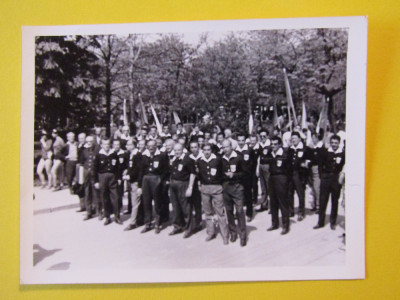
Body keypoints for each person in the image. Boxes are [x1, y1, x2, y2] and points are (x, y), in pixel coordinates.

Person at [197, 143, 229, 245]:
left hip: (216, 188)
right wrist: (200, 185)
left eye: (208, 150)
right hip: (205, 189)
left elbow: (223, 173)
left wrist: (221, 186)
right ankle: (211, 232)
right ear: (202, 151)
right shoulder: (199, 161)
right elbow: (198, 175)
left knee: (220, 212)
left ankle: (225, 235)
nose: (207, 152)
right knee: (208, 212)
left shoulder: (218, 160)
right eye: (205, 150)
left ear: (211, 151)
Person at [313, 135, 345, 230]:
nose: (334, 145)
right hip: (326, 179)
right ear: (330, 143)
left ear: (339, 143)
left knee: (334, 201)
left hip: (336, 179)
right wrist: (322, 176)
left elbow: (343, 166)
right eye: (332, 143)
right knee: (323, 201)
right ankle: (320, 222)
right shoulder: (325, 152)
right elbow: (320, 164)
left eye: (336, 143)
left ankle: (332, 222)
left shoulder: (342, 154)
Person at [221, 139, 248, 247]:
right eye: (223, 147)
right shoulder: (221, 158)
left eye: (226, 147)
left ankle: (243, 235)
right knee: (229, 211)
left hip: (237, 187)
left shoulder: (239, 157)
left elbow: (246, 173)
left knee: (240, 211)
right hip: (226, 188)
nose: (225, 149)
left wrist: (235, 175)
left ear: (231, 146)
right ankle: (233, 233)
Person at [141, 140, 168, 233]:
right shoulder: (144, 156)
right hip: (146, 179)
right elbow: (141, 171)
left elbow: (166, 169)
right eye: (149, 146)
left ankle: (157, 223)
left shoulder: (162, 155)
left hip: (156, 178)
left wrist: (161, 179)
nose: (150, 147)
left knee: (157, 202)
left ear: (156, 146)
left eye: (152, 145)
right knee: (146, 202)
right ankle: (147, 223)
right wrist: (140, 184)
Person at [266, 136, 292, 235]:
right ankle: (274, 223)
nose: (273, 146)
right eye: (272, 144)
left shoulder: (285, 154)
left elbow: (289, 169)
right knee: (273, 202)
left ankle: (285, 225)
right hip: (272, 178)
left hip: (282, 178)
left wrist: (286, 182)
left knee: (283, 203)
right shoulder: (270, 154)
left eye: (275, 144)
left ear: (280, 144)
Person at [94, 139, 122, 225]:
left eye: (108, 144)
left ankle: (117, 217)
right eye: (104, 144)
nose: (106, 146)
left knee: (115, 197)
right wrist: (96, 181)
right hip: (102, 177)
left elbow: (118, 168)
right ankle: (107, 217)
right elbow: (94, 169)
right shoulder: (99, 155)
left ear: (110, 145)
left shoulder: (114, 154)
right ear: (101, 145)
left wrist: (119, 178)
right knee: (104, 197)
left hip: (112, 176)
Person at [287, 132, 311, 221]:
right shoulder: (290, 149)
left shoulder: (305, 149)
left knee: (300, 194)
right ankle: (291, 210)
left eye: (295, 138)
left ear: (300, 139)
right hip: (291, 173)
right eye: (292, 138)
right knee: (290, 193)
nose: (293, 140)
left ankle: (301, 212)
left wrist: (307, 164)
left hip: (300, 174)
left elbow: (310, 160)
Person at [123, 139, 144, 231]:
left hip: (135, 181)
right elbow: (131, 167)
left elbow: (139, 170)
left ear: (134, 145)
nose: (127, 146)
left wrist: (130, 176)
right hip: (131, 181)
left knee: (135, 202)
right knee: (136, 202)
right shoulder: (131, 155)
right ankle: (139, 219)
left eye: (129, 144)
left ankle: (133, 222)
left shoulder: (138, 155)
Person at [236, 132, 256, 222]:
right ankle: (238, 213)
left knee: (248, 195)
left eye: (242, 140)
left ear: (245, 140)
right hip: (237, 177)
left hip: (247, 176)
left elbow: (254, 163)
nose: (241, 142)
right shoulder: (234, 151)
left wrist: (252, 175)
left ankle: (249, 213)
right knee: (238, 196)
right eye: (239, 140)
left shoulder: (249, 150)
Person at [79, 136, 100, 220]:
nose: (89, 143)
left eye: (91, 141)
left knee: (96, 192)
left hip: (95, 174)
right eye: (87, 141)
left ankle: (98, 211)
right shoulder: (84, 151)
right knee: (87, 192)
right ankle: (88, 211)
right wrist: (81, 177)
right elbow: (81, 164)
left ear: (93, 141)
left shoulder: (97, 150)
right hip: (86, 173)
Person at [253, 128, 271, 212]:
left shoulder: (270, 145)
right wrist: (257, 168)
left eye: (264, 136)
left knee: (270, 186)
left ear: (267, 136)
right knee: (263, 186)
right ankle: (264, 204)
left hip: (268, 166)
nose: (262, 137)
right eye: (261, 136)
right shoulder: (259, 145)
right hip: (261, 165)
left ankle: (272, 206)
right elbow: (258, 158)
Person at [188, 141, 203, 232]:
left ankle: (199, 222)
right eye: (192, 147)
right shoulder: (189, 157)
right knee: (191, 202)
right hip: (191, 182)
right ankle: (193, 222)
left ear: (198, 147)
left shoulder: (202, 156)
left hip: (201, 181)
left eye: (195, 147)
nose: (194, 149)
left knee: (198, 203)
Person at [112, 139, 127, 213]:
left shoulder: (123, 153)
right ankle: (112, 207)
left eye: (117, 145)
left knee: (119, 191)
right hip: (112, 174)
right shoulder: (111, 153)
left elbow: (126, 164)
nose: (116, 146)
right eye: (114, 145)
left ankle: (119, 206)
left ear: (120, 145)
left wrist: (126, 170)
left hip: (120, 175)